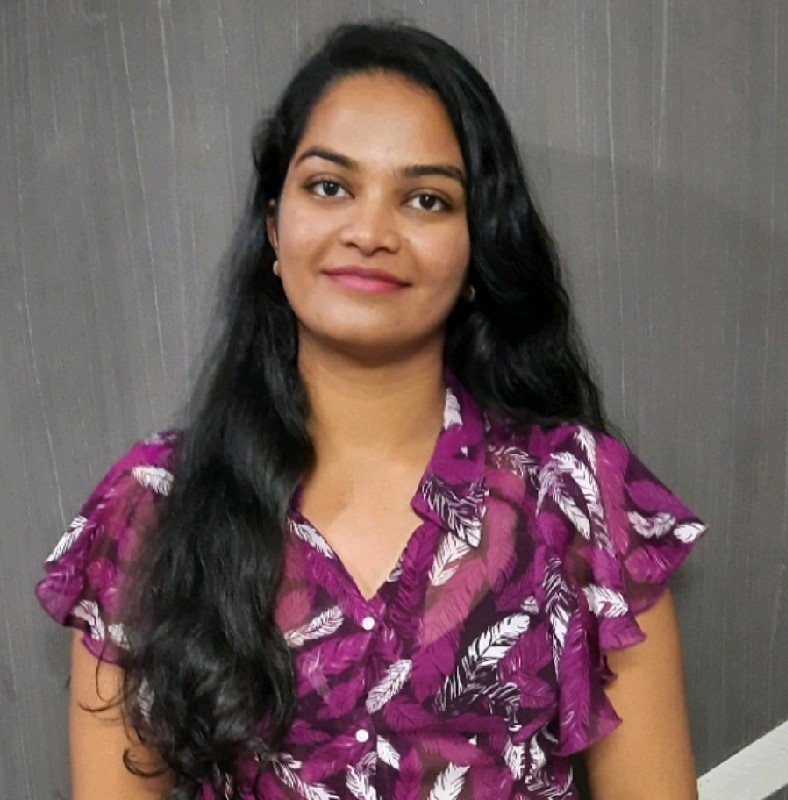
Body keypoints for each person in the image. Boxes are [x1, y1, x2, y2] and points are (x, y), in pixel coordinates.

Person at [35, 19, 708, 800]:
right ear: (273, 226)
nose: (370, 232)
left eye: (425, 199)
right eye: (330, 187)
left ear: (477, 250)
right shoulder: (153, 508)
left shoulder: (578, 498)